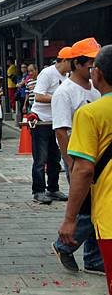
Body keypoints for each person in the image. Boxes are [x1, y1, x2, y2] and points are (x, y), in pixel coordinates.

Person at [58, 44, 112, 291]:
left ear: (98, 73)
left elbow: (84, 170)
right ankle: (92, 259)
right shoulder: (66, 93)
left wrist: (70, 219)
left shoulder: (91, 114)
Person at [52, 38, 103, 275]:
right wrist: (70, 164)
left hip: (98, 156)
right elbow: (62, 131)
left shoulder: (96, 88)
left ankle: (93, 258)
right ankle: (64, 244)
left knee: (96, 206)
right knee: (88, 208)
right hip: (78, 156)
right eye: (91, 63)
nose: (95, 68)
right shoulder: (64, 93)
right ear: (77, 64)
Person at [29, 47, 73, 204]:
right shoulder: (47, 73)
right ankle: (38, 191)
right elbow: (39, 96)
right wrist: (59, 98)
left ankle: (53, 188)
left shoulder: (68, 76)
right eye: (72, 62)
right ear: (65, 61)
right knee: (40, 159)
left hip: (57, 121)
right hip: (41, 121)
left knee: (55, 158)